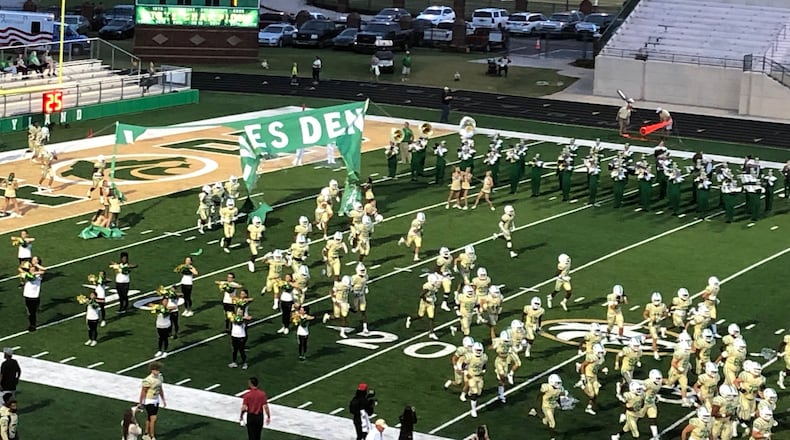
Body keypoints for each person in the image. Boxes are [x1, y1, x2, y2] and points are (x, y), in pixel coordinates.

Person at [138, 362, 166, 440]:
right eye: (156, 370)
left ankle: (146, 433)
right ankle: (152, 436)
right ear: (152, 370)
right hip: (149, 400)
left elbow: (160, 389)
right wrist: (141, 402)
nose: (158, 371)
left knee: (149, 418)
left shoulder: (160, 377)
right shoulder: (148, 380)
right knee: (153, 418)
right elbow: (143, 391)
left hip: (156, 400)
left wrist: (163, 399)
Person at [20, 257, 45, 332]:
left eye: (33, 269)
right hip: (27, 295)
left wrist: (36, 265)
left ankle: (32, 325)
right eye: (31, 269)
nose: (32, 269)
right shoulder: (27, 275)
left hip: (34, 296)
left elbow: (43, 270)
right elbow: (20, 269)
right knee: (30, 312)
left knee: (32, 312)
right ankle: (32, 324)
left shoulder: (38, 276)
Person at [229, 297, 251, 369]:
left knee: (241, 350)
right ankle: (234, 362)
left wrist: (242, 318)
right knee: (234, 350)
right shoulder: (233, 316)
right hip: (234, 335)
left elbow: (248, 318)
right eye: (238, 311)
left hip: (241, 336)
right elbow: (231, 318)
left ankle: (245, 363)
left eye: (240, 312)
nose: (239, 312)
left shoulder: (245, 318)